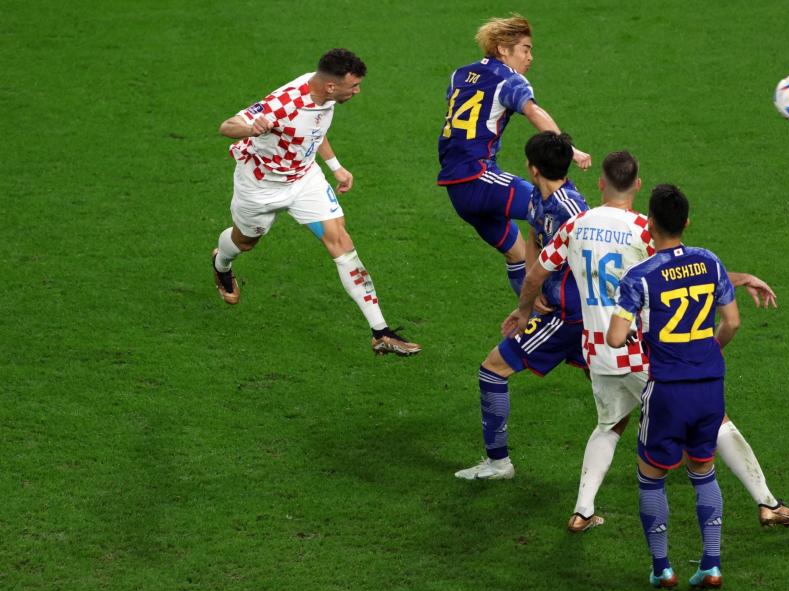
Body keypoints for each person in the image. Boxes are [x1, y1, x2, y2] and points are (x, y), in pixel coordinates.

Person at [505, 151, 789, 533]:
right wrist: (739, 278)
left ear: (600, 183)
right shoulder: (643, 230)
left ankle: (582, 510)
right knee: (715, 419)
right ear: (638, 185)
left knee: (609, 425)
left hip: (597, 351)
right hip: (644, 352)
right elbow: (682, 272)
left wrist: (524, 311)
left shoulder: (575, 225)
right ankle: (768, 503)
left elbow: (534, 275)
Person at [211, 49, 420, 357]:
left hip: (304, 180)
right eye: (354, 86)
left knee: (342, 243)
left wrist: (335, 166)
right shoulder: (284, 104)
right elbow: (227, 126)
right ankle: (221, 263)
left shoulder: (326, 96)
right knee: (245, 242)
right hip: (260, 186)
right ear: (332, 86)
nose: (358, 91)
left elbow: (313, 130)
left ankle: (381, 333)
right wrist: (250, 127)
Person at [607, 184, 738, 589]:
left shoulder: (640, 276)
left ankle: (662, 567)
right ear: (686, 222)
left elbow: (614, 338)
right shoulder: (710, 262)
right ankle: (712, 564)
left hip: (668, 390)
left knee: (651, 475)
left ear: (649, 225)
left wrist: (632, 334)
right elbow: (731, 322)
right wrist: (707, 351)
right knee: (704, 470)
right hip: (710, 385)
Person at [455, 131, 588, 481]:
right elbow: (532, 236)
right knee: (630, 382)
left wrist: (526, 305)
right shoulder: (538, 199)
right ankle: (696, 437)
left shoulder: (574, 210)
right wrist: (535, 278)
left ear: (532, 168)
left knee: (492, 370)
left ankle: (499, 463)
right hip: (567, 310)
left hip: (571, 316)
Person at [437, 14, 591, 295]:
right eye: (526, 49)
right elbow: (532, 111)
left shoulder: (459, 74)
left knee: (518, 255)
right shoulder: (508, 79)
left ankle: (529, 319)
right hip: (479, 177)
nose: (530, 57)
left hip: (456, 189)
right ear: (503, 49)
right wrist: (568, 148)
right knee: (563, 210)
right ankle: (583, 295)